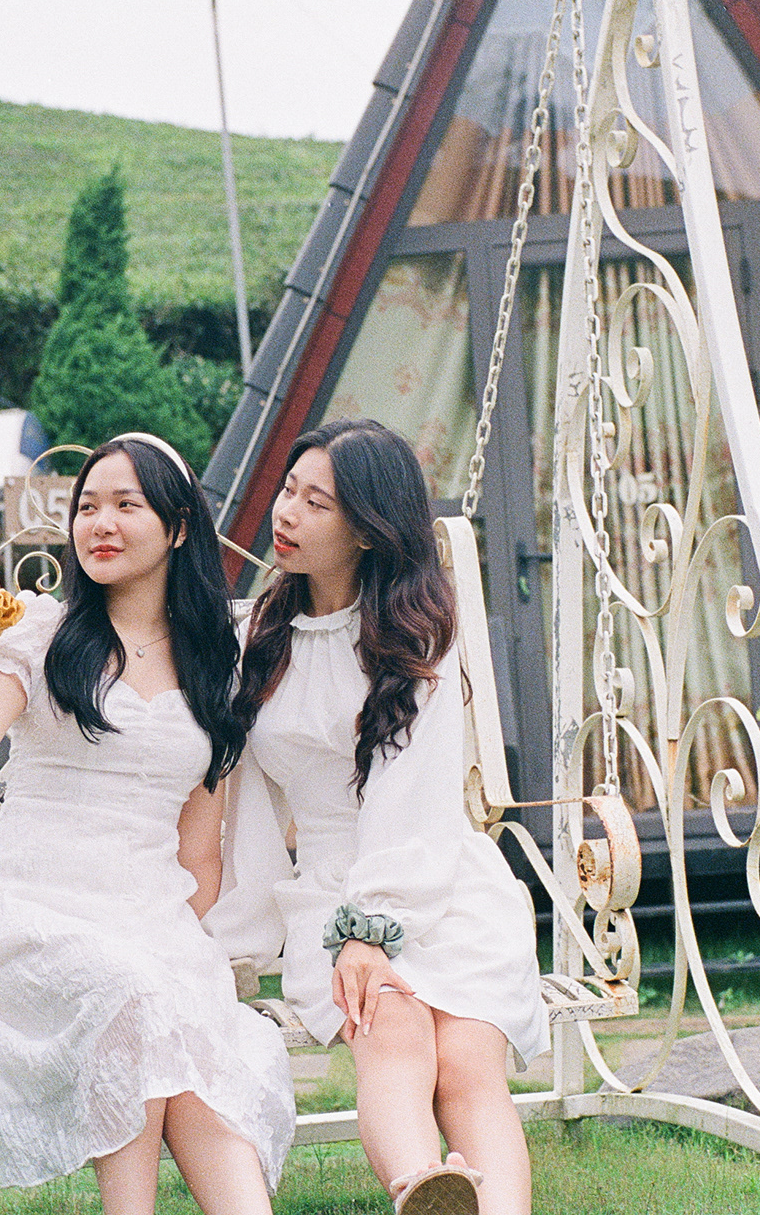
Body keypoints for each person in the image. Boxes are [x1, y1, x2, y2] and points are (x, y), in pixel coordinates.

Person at [0, 432, 294, 1215]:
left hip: (151, 921)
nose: (101, 523)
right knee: (136, 999)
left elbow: (200, 852)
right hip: (31, 912)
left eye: (126, 504)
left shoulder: (211, 665)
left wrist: (183, 951)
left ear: (178, 527)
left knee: (201, 1063)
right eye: (87, 506)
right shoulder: (46, 631)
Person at [207, 418, 548, 1215]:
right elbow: (247, 802)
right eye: (288, 490)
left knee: (466, 1058)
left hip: (439, 875)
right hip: (327, 888)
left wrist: (372, 928)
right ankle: (423, 1187)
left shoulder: (415, 632)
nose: (286, 512)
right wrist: (241, 931)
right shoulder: (257, 638)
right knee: (390, 1024)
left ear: (365, 529)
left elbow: (412, 798)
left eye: (316, 502)